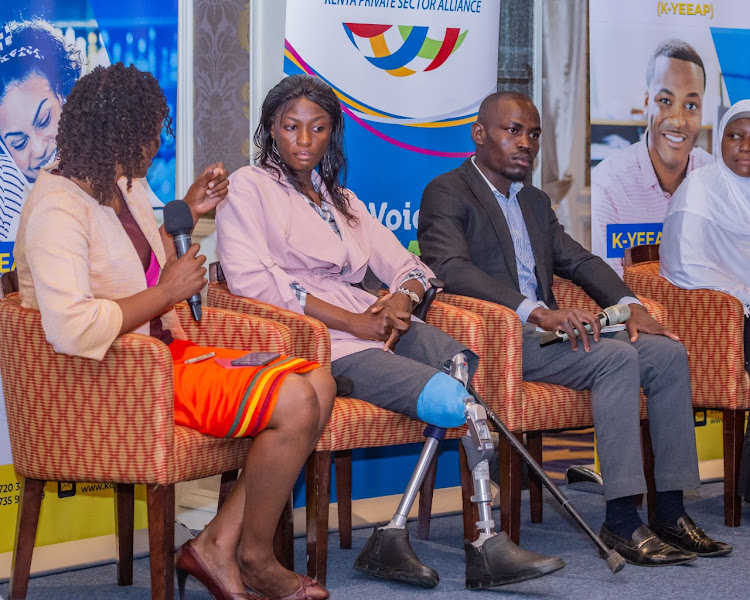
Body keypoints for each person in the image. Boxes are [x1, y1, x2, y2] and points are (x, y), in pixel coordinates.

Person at [215, 74, 565, 591]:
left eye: (318, 129)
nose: (305, 141)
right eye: (291, 128)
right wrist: (354, 321)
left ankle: (431, 538)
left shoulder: (342, 200)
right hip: (314, 340)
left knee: (465, 368)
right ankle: (462, 541)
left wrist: (402, 297)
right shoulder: (251, 186)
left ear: (332, 135)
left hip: (374, 322)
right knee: (452, 399)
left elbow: (415, 266)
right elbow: (252, 281)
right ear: (272, 128)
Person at [14, 63, 336, 600]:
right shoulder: (55, 206)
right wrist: (167, 293)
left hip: (165, 357)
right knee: (298, 400)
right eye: (149, 132)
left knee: (320, 383)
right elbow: (70, 327)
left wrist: (185, 208)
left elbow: (134, 261)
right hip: (114, 377)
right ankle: (254, 558)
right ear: (120, 133)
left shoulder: (124, 186)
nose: (156, 144)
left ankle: (217, 543)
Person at [417, 90, 732, 567]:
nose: (525, 143)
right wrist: (535, 310)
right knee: (615, 356)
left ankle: (670, 511)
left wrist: (630, 305)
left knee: (666, 354)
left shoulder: (536, 202)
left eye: (534, 134)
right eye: (513, 131)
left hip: (550, 339)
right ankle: (623, 521)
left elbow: (579, 262)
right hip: (498, 339)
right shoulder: (448, 190)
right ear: (479, 134)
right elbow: (452, 269)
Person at [660, 98, 750, 501]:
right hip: (720, 323)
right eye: (735, 136)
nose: (745, 146)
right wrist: (744, 295)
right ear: (721, 142)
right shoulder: (700, 189)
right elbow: (684, 266)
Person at [591, 39, 712, 276]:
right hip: (636, 311)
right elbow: (610, 286)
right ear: (647, 103)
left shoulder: (712, 177)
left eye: (691, 105)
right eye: (665, 101)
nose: (678, 121)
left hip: (701, 309)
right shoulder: (609, 184)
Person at [0, 18, 83, 240]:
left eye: (44, 120)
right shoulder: (5, 203)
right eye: (19, 143)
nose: (38, 150)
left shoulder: (111, 179)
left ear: (64, 96)